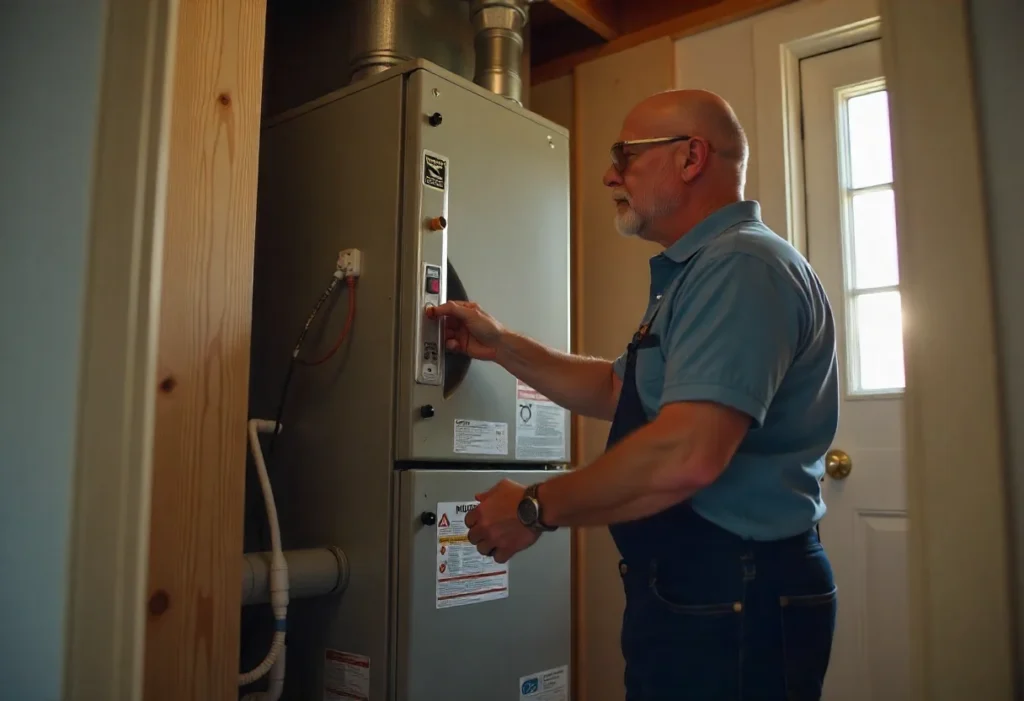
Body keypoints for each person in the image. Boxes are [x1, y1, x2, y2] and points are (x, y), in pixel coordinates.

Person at [427, 89, 839, 700]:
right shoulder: (701, 269)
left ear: (691, 157)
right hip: (699, 585)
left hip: (735, 588)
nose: (608, 174)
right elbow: (617, 390)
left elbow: (687, 453)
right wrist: (502, 344)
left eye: (625, 154)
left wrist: (535, 506)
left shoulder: (741, 266)